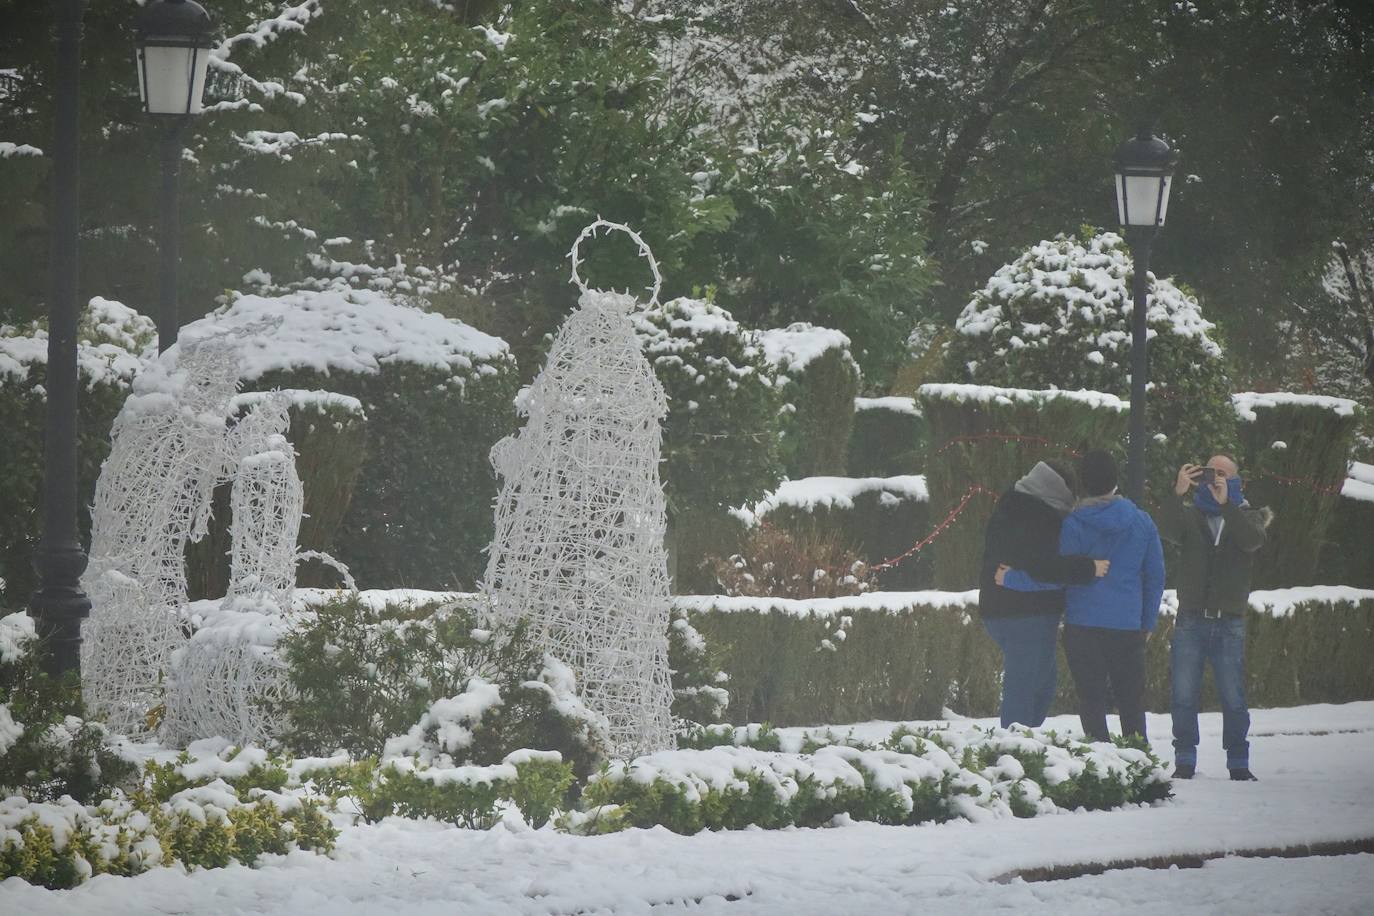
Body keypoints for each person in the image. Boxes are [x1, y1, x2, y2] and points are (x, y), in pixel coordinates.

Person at [997, 449, 1164, 743]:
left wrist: (1011, 578)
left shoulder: (1074, 524)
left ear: (1084, 484)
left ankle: (1102, 763)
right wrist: (1147, 622)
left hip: (1083, 626)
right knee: (1131, 701)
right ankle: (1139, 762)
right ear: (1115, 481)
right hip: (1127, 626)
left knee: (1092, 700)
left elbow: (1056, 575)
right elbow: (1155, 577)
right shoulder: (1142, 523)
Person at [1159, 455, 1271, 782]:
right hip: (1191, 618)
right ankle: (1185, 758)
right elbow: (1166, 529)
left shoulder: (1247, 517)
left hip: (1229, 621)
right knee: (1182, 693)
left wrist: (1227, 507)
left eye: (1222, 474)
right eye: (1211, 472)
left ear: (1237, 481)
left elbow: (1251, 541)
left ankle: (1238, 761)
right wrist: (1177, 493)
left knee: (1233, 696)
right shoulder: (1192, 515)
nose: (1215, 478)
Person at [978, 460, 1109, 729]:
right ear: (1060, 490)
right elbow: (1044, 567)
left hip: (1003, 608)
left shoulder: (1013, 504)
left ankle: (1023, 742)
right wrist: (1088, 567)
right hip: (1026, 612)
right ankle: (1014, 751)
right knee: (1026, 687)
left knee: (1041, 683)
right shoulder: (1038, 515)